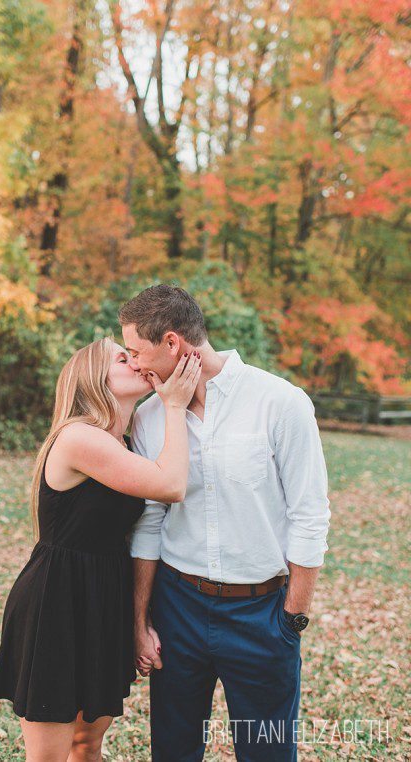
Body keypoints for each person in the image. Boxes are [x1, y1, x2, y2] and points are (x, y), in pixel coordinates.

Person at [121, 284, 331, 761]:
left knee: (267, 754)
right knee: (173, 752)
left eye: (137, 352)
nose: (133, 364)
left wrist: (292, 618)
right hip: (177, 608)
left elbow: (309, 514)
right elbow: (149, 521)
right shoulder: (151, 416)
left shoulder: (281, 403)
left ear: (172, 343)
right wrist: (141, 619)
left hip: (261, 614)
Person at [0, 336, 202, 762]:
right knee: (49, 756)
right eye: (124, 358)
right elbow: (171, 484)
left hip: (103, 595)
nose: (137, 363)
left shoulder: (121, 444)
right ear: (93, 379)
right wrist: (175, 407)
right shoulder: (78, 438)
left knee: (88, 745)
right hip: (57, 601)